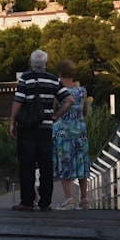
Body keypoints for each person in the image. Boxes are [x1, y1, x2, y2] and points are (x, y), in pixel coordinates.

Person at [9, 50, 73, 211]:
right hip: (46, 128)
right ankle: (45, 202)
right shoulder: (53, 80)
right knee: (46, 165)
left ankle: (27, 201)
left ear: (31, 63)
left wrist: (12, 121)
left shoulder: (25, 78)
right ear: (46, 63)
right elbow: (69, 100)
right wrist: (56, 115)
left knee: (27, 165)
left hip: (27, 127)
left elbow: (18, 101)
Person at [52, 59, 91, 210]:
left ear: (60, 74)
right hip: (80, 130)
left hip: (63, 131)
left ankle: (69, 199)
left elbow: (54, 110)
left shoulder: (59, 91)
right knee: (82, 161)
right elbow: (85, 111)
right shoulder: (82, 90)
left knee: (65, 162)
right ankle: (84, 198)